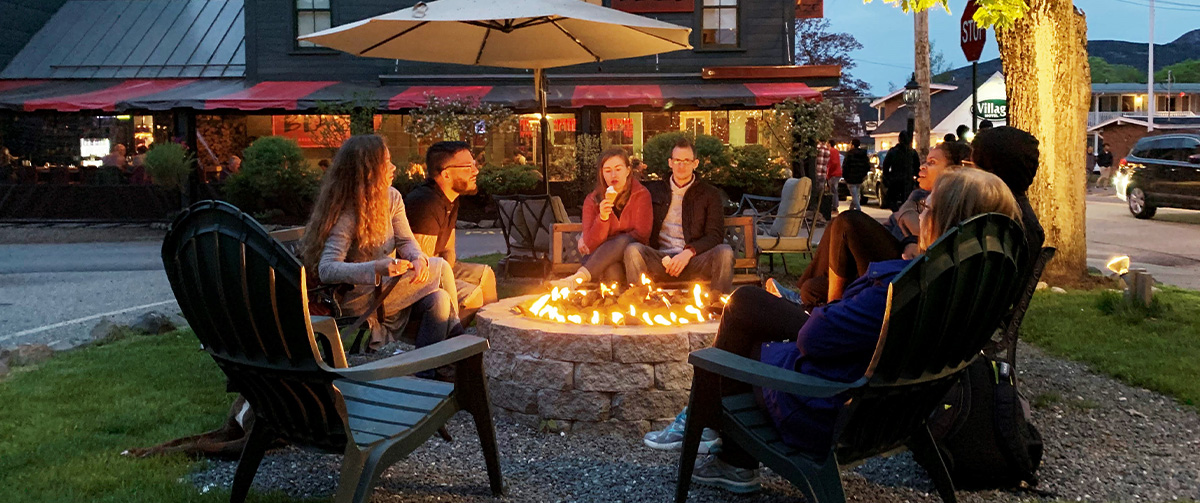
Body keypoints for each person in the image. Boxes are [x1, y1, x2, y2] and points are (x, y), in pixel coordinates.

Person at [667, 169, 1024, 494]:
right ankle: (723, 443)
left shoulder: (901, 292)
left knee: (742, 322)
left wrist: (832, 309)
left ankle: (732, 456)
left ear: (946, 221)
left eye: (926, 209)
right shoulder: (971, 288)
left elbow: (813, 341)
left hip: (824, 407)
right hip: (901, 410)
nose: (920, 216)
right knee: (748, 303)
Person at [299, 134, 462, 355]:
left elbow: (406, 241)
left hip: (385, 290)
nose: (393, 167)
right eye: (386, 163)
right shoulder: (348, 211)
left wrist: (417, 257)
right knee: (441, 267)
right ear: (368, 170)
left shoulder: (392, 198)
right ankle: (460, 344)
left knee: (440, 299)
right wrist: (377, 267)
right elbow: (327, 269)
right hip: (357, 297)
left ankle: (428, 372)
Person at [781, 141, 970, 309]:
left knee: (848, 221)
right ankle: (805, 301)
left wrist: (910, 235)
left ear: (953, 171)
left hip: (899, 271)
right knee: (812, 287)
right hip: (876, 260)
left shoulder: (949, 202)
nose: (922, 167)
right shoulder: (919, 194)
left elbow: (926, 233)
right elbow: (904, 215)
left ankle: (832, 312)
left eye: (932, 163)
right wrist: (908, 222)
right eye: (925, 161)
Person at [404, 141, 499, 326]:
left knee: (486, 275)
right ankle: (448, 343)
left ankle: (490, 340)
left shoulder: (451, 198)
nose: (475, 171)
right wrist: (449, 282)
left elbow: (448, 249)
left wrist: (450, 274)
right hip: (413, 279)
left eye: (474, 164)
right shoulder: (426, 203)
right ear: (446, 174)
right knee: (473, 295)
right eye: (467, 166)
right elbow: (425, 265)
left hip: (440, 268)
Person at [624, 136, 735, 293]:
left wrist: (688, 252)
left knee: (724, 252)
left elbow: (715, 235)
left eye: (686, 161)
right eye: (677, 161)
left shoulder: (710, 194)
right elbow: (624, 194)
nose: (681, 165)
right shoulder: (653, 190)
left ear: (695, 164)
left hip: (693, 261)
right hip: (660, 259)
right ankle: (639, 302)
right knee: (633, 250)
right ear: (670, 163)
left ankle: (718, 305)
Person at [553, 147, 653, 288]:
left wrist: (612, 242)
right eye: (607, 170)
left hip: (632, 257)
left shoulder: (641, 195)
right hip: (599, 260)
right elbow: (590, 243)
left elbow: (642, 234)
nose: (613, 175)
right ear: (602, 174)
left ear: (628, 170)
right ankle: (620, 306)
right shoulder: (592, 200)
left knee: (624, 240)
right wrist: (603, 218)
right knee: (612, 271)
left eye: (618, 169)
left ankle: (578, 278)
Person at [970, 126, 1046, 260]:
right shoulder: (1023, 220)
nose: (967, 176)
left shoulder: (999, 229)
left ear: (991, 174)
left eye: (972, 167)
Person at [881, 130, 920, 211]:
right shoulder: (912, 152)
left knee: (892, 200)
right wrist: (916, 180)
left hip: (895, 179)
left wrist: (887, 178)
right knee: (906, 200)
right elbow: (917, 167)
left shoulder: (893, 151)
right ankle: (903, 213)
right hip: (907, 180)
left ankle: (897, 213)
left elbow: (886, 166)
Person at [841, 139, 871, 212]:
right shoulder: (863, 154)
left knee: (854, 195)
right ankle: (851, 209)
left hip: (851, 178)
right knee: (856, 193)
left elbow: (845, 166)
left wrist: (845, 176)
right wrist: (864, 174)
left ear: (853, 145)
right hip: (860, 177)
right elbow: (867, 165)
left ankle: (858, 209)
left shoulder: (849, 154)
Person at [824, 140, 842, 217]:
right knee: (834, 190)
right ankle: (835, 205)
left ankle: (834, 207)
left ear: (829, 144)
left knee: (833, 190)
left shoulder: (831, 151)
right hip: (838, 173)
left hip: (833, 173)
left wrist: (828, 173)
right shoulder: (836, 151)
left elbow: (832, 163)